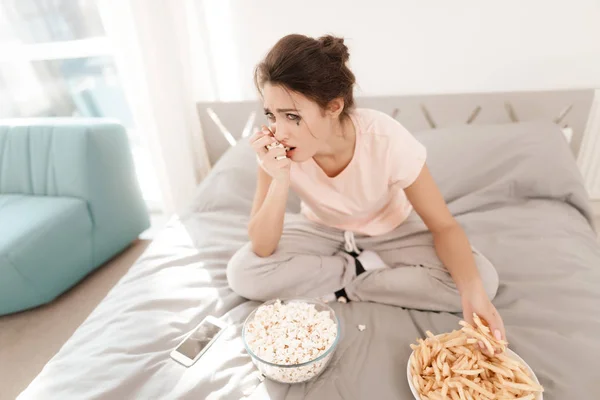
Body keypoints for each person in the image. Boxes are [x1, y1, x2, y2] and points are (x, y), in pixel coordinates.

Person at [227, 33, 505, 343]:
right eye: (271, 114)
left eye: (292, 116)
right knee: (243, 272)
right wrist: (278, 178)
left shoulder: (386, 139)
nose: (279, 130)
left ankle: (349, 285)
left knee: (482, 280)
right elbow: (262, 247)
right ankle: (357, 269)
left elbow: (444, 225)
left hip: (391, 227)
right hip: (320, 228)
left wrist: (473, 293)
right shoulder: (274, 147)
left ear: (333, 106)